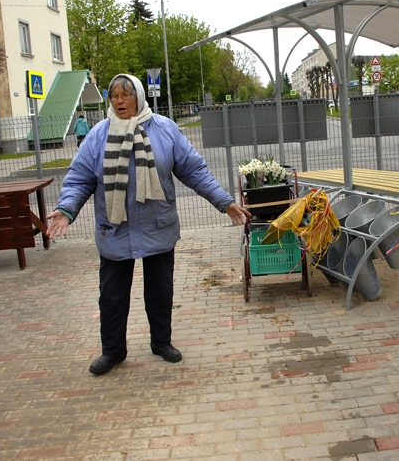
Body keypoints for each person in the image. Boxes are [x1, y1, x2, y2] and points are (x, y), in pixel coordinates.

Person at [46, 74, 251, 375]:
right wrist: (66, 209)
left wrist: (223, 201)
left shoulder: (164, 130)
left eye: (125, 95)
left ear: (138, 97)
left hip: (157, 225)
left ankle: (161, 342)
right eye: (114, 95)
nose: (119, 101)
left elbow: (194, 171)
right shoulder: (99, 135)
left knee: (160, 290)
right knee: (112, 296)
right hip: (115, 228)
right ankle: (113, 351)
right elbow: (79, 179)